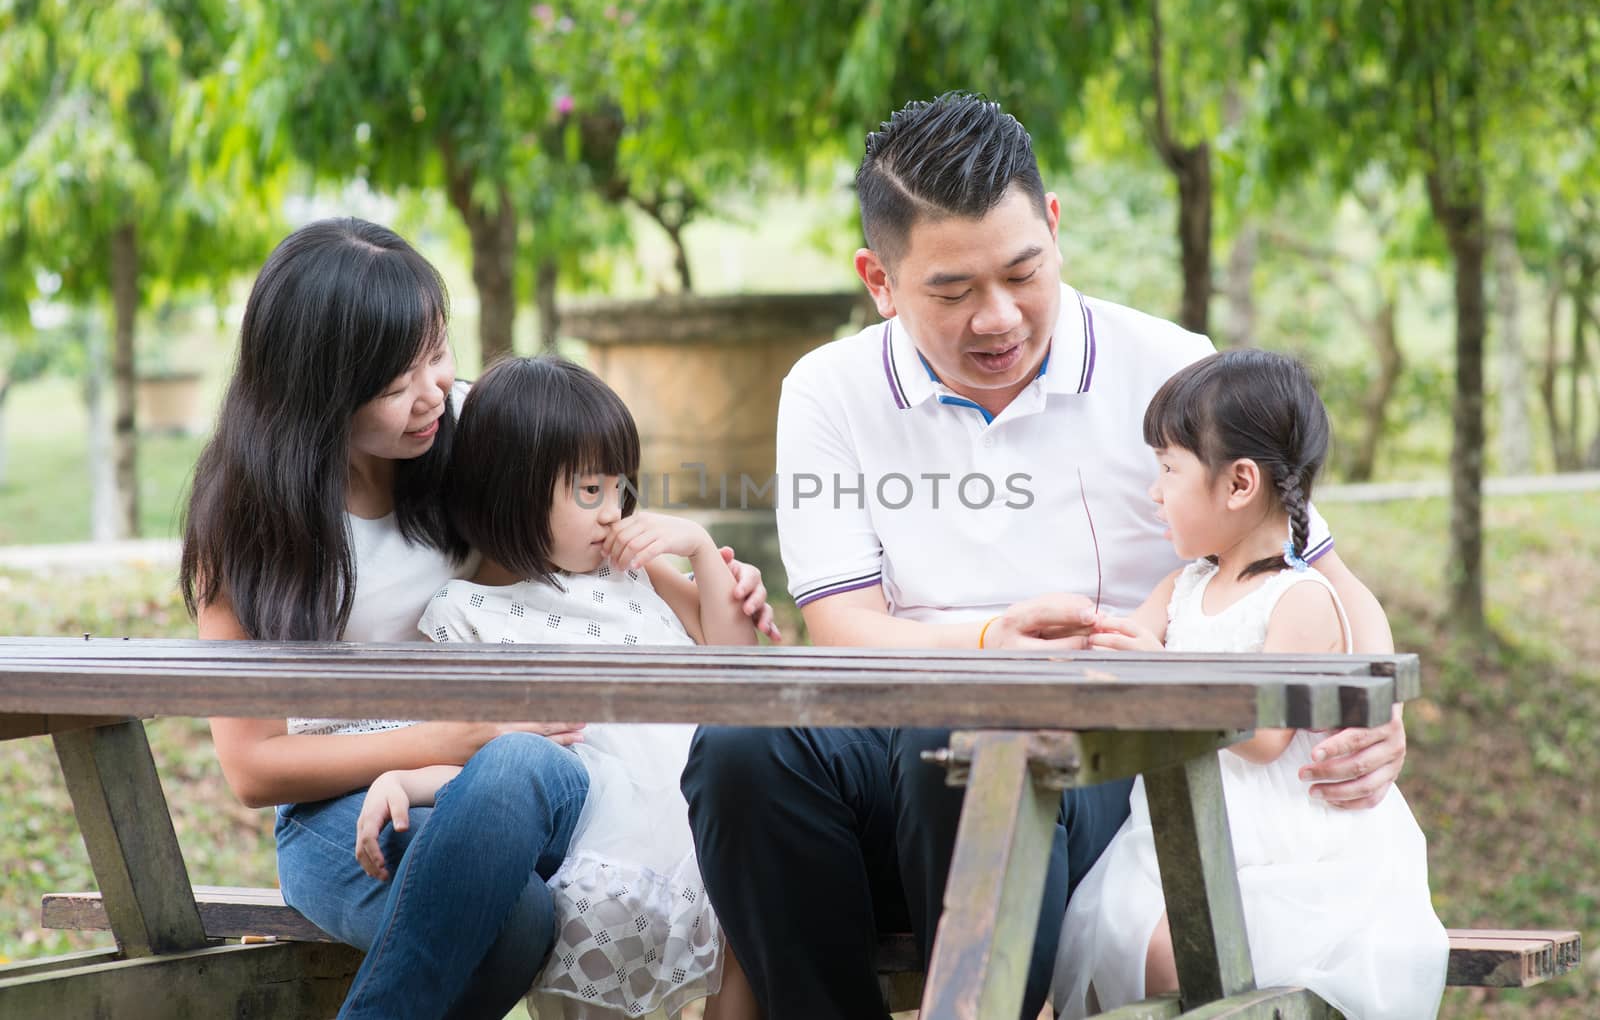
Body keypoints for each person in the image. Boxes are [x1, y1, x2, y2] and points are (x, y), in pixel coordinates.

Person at [681, 93, 1410, 1020]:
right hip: (898, 750)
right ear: (879, 279)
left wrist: (1371, 709)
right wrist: (990, 643)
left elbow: (1324, 577)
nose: (998, 319)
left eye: (1023, 273)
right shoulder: (829, 391)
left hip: (1100, 767)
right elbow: (844, 628)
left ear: (1055, 227)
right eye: (951, 292)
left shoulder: (1171, 370)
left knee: (968, 744)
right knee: (743, 752)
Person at [180, 218, 776, 1020]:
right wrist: (461, 735)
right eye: (396, 383)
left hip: (533, 777)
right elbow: (254, 770)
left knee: (523, 771)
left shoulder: (465, 426)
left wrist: (709, 583)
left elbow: (599, 541)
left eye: (437, 351)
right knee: (516, 919)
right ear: (318, 391)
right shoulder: (251, 522)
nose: (433, 391)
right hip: (348, 811)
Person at [355, 355, 760, 1020]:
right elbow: (484, 759)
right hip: (601, 833)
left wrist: (697, 546)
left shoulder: (640, 572)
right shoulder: (464, 612)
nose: (614, 513)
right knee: (601, 923)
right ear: (511, 491)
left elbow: (735, 668)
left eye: (621, 489)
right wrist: (404, 780)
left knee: (753, 917)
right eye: (588, 492)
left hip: (703, 810)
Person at [1054, 349, 1448, 1018]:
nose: (1155, 491)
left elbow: (1265, 736)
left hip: (1278, 851)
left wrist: (1162, 673)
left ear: (1239, 484)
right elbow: (1121, 653)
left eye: (1169, 469)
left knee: (1169, 959)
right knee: (1110, 949)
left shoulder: (1300, 598)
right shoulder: (1183, 587)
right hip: (1174, 831)